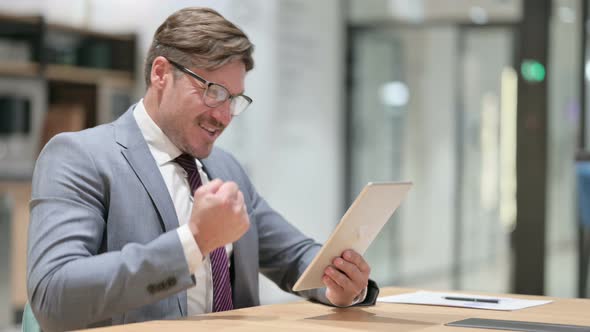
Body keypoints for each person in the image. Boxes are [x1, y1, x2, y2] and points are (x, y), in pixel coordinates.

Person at [27, 7, 378, 332]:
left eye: (234, 99)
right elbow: (53, 296)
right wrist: (193, 243)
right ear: (161, 73)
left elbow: (293, 257)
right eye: (213, 91)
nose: (224, 116)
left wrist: (339, 285)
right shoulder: (80, 157)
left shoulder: (226, 168)